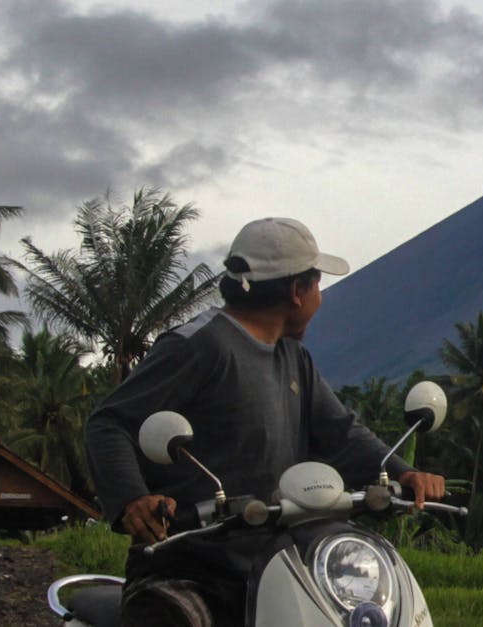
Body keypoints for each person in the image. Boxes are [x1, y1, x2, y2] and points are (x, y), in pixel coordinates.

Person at [84, 217, 446, 626]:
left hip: (277, 562)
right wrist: (134, 499)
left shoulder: (292, 357)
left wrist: (404, 472)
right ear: (297, 291)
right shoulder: (201, 346)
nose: (320, 298)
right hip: (191, 567)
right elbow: (109, 423)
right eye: (317, 286)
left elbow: (341, 432)